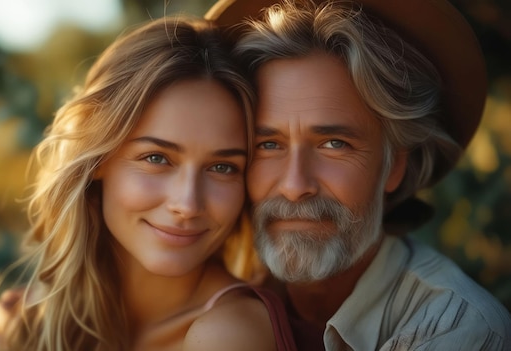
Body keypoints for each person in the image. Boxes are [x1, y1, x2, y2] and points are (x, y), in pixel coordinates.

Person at [205, 0, 511, 350]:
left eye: (334, 143)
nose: (294, 186)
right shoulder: (215, 299)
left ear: (394, 166)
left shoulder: (455, 328)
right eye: (268, 145)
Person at [0, 15, 296, 351]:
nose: (187, 204)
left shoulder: (229, 334)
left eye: (222, 167)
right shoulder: (28, 324)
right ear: (98, 159)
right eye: (157, 158)